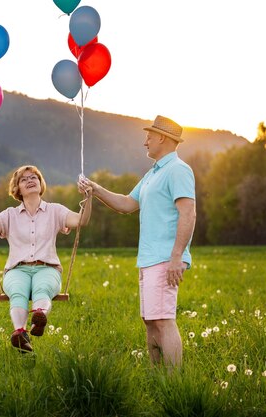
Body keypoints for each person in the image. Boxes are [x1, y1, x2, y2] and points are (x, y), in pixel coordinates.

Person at [80, 115, 196, 370]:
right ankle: (158, 380)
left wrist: (177, 256)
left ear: (162, 138)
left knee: (163, 320)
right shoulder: (153, 174)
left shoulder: (178, 170)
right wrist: (95, 189)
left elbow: (188, 213)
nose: (145, 142)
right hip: (148, 258)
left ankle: (174, 384)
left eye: (149, 137)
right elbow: (126, 203)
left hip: (166, 258)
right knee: (150, 320)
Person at [0, 165, 92, 353]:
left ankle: (39, 317)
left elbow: (81, 221)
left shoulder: (55, 211)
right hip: (17, 269)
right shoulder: (10, 215)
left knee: (42, 288)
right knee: (18, 292)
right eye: (23, 179)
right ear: (17, 189)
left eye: (34, 177)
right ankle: (20, 333)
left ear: (40, 183)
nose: (30, 180)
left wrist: (88, 197)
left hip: (47, 268)